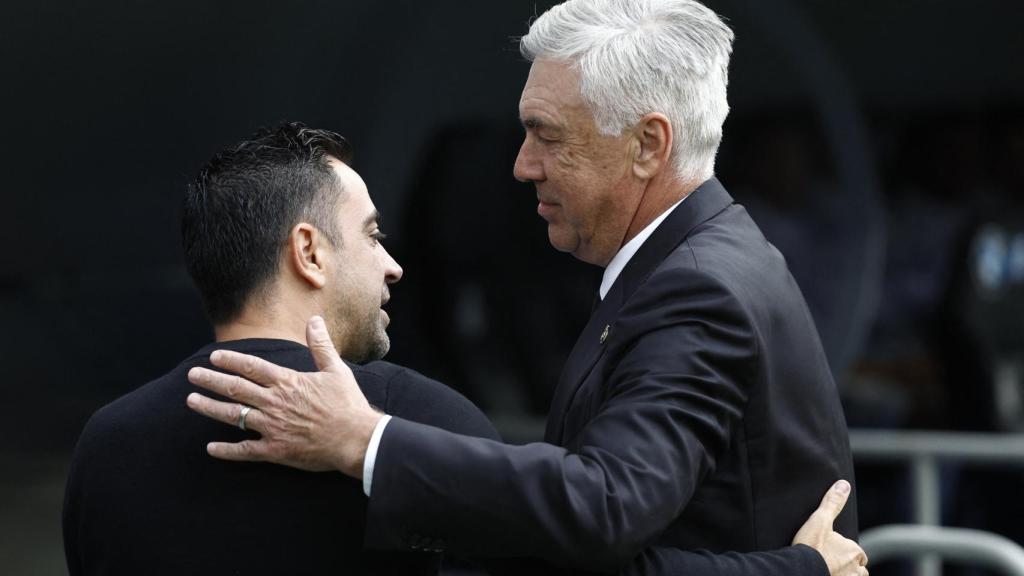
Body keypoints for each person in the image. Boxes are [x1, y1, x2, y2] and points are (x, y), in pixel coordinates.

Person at [187, 2, 868, 575]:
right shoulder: (696, 262)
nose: (522, 166)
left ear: (647, 145)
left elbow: (603, 510)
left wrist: (361, 439)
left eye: (546, 135)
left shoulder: (695, 286)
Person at [61, 123, 501, 575]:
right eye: (372, 236)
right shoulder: (426, 424)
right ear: (308, 252)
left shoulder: (109, 444)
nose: (393, 267)